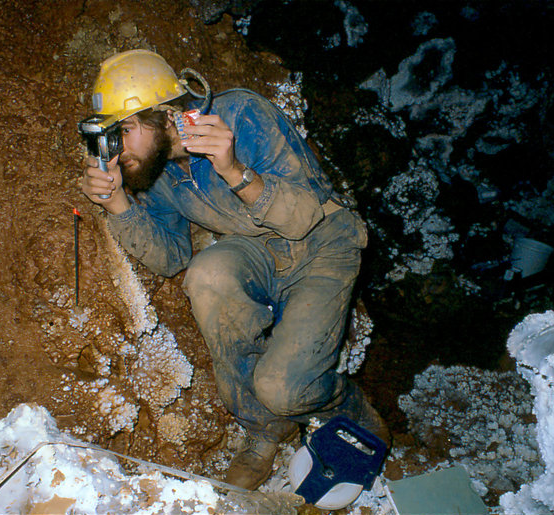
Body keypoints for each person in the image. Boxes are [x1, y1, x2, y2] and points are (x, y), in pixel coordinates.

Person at [81, 49, 389, 490]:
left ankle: (347, 405)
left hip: (323, 244)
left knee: (284, 389)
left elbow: (303, 218)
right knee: (206, 274)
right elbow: (173, 258)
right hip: (259, 252)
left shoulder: (243, 115)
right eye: (112, 134)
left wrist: (233, 170)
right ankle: (265, 430)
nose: (119, 147)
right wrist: (118, 204)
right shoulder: (156, 171)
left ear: (166, 116)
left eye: (125, 130)